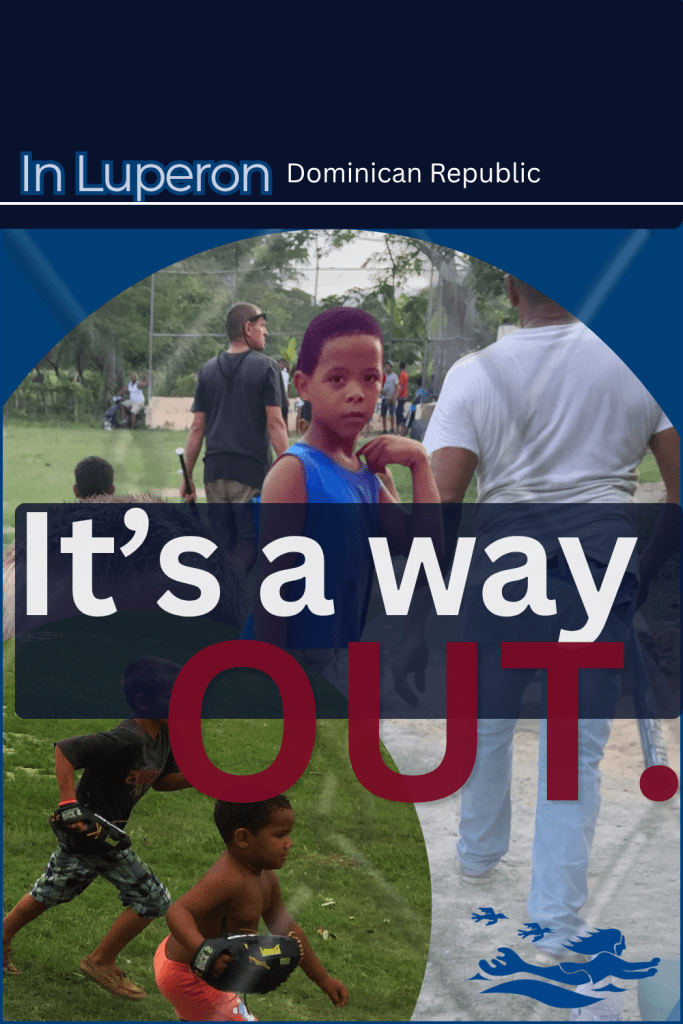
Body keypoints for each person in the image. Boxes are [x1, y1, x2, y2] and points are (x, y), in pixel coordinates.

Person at [422, 274, 680, 962]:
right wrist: (640, 576)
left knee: (486, 720)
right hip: (596, 574)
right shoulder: (638, 361)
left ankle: (478, 853)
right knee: (573, 747)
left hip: (504, 573)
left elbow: (442, 496)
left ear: (509, 290)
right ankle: (556, 919)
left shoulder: (476, 373)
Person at [243, 306, 440, 673]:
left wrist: (420, 463)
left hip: (335, 666)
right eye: (337, 379)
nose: (356, 393)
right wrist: (270, 693)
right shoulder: (295, 473)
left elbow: (426, 560)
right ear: (304, 385)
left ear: (384, 382)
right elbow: (273, 599)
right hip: (285, 672)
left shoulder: (366, 478)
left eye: (369, 378)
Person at [3, 657, 193, 998]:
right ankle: (101, 961)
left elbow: (162, 782)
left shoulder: (164, 735)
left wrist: (201, 778)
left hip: (101, 833)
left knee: (52, 891)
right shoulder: (128, 737)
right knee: (154, 899)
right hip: (91, 833)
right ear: (143, 703)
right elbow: (66, 750)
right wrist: (67, 804)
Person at [154, 796, 349, 1021]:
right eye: (280, 835)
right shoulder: (228, 879)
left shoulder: (266, 877)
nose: (289, 843)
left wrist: (323, 979)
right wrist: (208, 952)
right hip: (190, 975)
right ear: (243, 838)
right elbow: (178, 911)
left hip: (197, 967)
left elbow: (287, 929)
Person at [180, 303, 289, 572]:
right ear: (247, 327)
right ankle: (229, 593)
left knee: (223, 542)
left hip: (214, 471)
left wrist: (187, 476)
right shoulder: (267, 367)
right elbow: (275, 423)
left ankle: (218, 594)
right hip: (250, 472)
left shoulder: (207, 370)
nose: (266, 331)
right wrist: (288, 470)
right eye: (262, 325)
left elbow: (197, 428)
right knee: (249, 542)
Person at [380, 359, 399, 434]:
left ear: (391, 367)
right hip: (384, 397)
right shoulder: (383, 375)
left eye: (388, 366)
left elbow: (397, 387)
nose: (386, 367)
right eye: (385, 366)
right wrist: (381, 390)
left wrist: (394, 397)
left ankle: (392, 428)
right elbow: (380, 385)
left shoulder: (394, 376)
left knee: (391, 414)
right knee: (383, 414)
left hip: (391, 398)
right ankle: (384, 429)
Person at [396, 361, 409, 435]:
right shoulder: (406, 374)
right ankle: (402, 428)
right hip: (405, 395)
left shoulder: (401, 374)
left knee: (399, 412)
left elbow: (400, 385)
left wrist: (397, 394)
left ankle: (402, 428)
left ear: (399, 367)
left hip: (401, 396)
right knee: (400, 411)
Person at [278, 358, 290, 429]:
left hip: (284, 395)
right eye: (280, 363)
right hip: (278, 394)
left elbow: (288, 384)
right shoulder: (275, 372)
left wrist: (288, 395)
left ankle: (286, 430)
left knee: (285, 413)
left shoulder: (286, 374)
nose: (281, 364)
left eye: (283, 363)